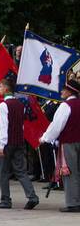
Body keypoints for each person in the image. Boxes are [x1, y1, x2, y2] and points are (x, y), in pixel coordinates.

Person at [0, 77, 39, 210]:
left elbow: (4, 126)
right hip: (19, 140)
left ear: (6, 88)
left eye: (1, 87)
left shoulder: (3, 105)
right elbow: (21, 125)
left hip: (8, 142)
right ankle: (32, 196)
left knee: (3, 171)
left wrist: (1, 145)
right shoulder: (20, 104)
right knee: (21, 171)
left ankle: (5, 200)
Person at [39, 77, 80, 212]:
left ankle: (73, 202)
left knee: (70, 172)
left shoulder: (65, 106)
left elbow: (57, 126)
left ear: (70, 92)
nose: (62, 91)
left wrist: (45, 138)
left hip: (69, 142)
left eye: (64, 89)